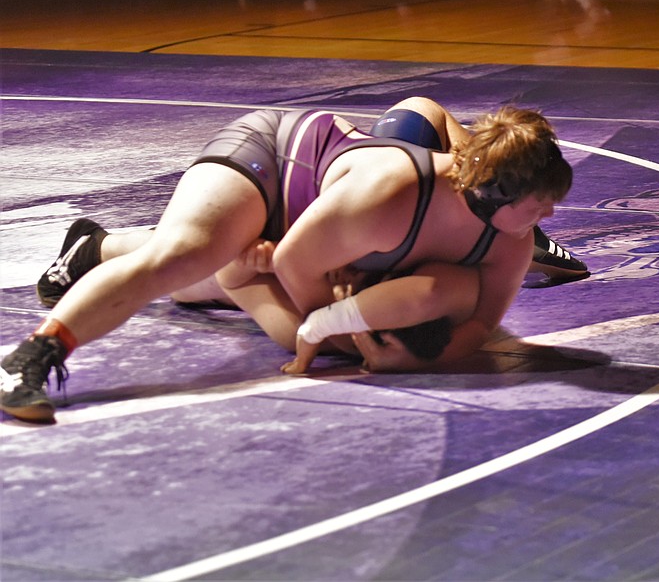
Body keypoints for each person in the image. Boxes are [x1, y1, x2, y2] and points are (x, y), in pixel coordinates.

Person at [1, 97, 572, 423]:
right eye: (538, 206)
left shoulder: (510, 240)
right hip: (273, 165)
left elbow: (481, 322)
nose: (545, 220)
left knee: (228, 269)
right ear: (494, 195)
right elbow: (299, 262)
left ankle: (94, 248)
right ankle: (32, 356)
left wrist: (421, 355)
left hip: (325, 230)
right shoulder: (393, 193)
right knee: (186, 254)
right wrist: (346, 335)